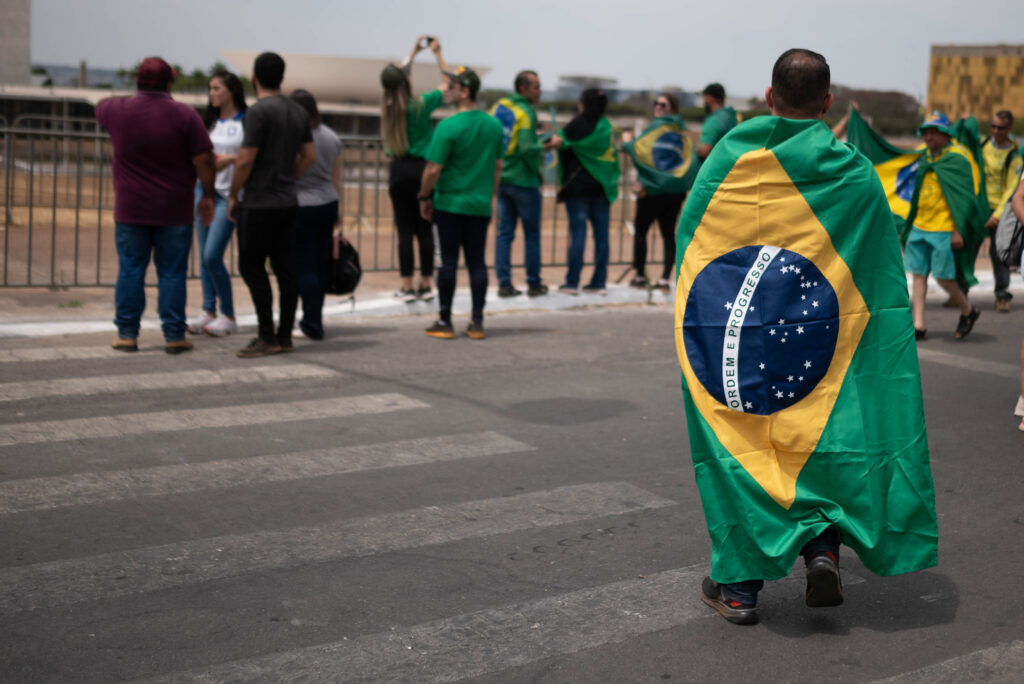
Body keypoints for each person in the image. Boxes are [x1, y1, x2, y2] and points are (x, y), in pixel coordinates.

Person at [677, 49, 937, 625]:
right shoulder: (854, 173)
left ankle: (739, 589)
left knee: (740, 448)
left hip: (738, 341)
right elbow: (876, 274)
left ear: (769, 98)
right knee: (822, 445)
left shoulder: (728, 160)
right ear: (827, 103)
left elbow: (694, 241)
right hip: (823, 341)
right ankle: (822, 550)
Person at [95, 56, 215, 355]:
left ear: (137, 81)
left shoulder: (115, 110)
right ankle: (174, 335)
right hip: (174, 208)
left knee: (131, 269)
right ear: (170, 82)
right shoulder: (185, 115)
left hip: (130, 208)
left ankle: (127, 334)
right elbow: (203, 160)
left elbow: (100, 105)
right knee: (172, 272)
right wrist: (209, 194)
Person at [228, 52, 316, 358]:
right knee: (285, 269)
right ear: (282, 76)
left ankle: (266, 335)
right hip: (287, 200)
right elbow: (309, 156)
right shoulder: (298, 112)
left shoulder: (258, 112)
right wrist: (287, 176)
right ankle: (284, 335)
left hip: (259, 201)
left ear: (254, 76)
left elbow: (245, 159)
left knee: (251, 266)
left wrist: (233, 193)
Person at [418, 67, 504, 340]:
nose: (447, 90)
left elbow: (433, 169)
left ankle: (445, 320)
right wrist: (490, 196)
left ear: (465, 91)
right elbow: (498, 166)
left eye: (452, 86)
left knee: (448, 263)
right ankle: (477, 322)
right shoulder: (493, 125)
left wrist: (423, 196)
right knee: (477, 262)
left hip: (450, 205)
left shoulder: (448, 126)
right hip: (479, 205)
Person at [381, 35, 449, 303]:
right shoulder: (420, 104)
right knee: (425, 228)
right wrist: (436, 53)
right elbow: (447, 85)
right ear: (406, 80)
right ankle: (427, 284)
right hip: (422, 170)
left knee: (404, 232)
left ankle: (406, 286)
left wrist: (412, 52)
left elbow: (395, 75)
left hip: (398, 170)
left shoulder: (387, 107)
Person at [904, 112, 981, 341]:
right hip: (920, 226)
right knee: (918, 275)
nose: (928, 136)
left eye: (933, 132)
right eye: (925, 132)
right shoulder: (926, 157)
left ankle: (968, 310)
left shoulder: (957, 158)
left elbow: (965, 199)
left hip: (943, 229)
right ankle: (919, 325)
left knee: (944, 278)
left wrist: (958, 230)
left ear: (946, 134)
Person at [186, 70, 246, 337]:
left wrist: (230, 160)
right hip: (204, 192)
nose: (211, 93)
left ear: (231, 90)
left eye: (216, 88)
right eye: (210, 89)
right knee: (204, 257)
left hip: (229, 195)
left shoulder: (247, 121)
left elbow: (250, 155)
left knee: (213, 256)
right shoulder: (208, 122)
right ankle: (208, 311)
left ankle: (229, 315)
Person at [546, 88, 620, 296]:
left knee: (578, 237)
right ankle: (599, 283)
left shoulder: (577, 124)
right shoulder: (607, 126)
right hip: (602, 189)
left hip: (578, 190)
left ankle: (572, 283)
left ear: (583, 104)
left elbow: (558, 141)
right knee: (602, 239)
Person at [290, 89, 343, 341]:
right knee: (320, 266)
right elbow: (337, 178)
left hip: (302, 203)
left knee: (304, 266)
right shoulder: (332, 137)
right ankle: (315, 319)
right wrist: (340, 209)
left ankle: (309, 323)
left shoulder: (295, 138)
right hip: (328, 201)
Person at [491, 70, 548, 298]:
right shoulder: (526, 112)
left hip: (501, 178)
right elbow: (526, 148)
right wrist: (546, 145)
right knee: (531, 235)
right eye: (536, 87)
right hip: (524, 181)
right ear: (523, 89)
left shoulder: (499, 106)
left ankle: (504, 284)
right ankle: (534, 284)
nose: (539, 91)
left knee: (504, 234)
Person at [625, 93, 689, 290]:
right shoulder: (681, 128)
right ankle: (664, 279)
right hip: (675, 191)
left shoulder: (657, 126)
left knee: (642, 232)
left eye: (663, 104)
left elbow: (639, 150)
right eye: (657, 103)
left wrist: (627, 141)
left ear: (672, 108)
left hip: (652, 191)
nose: (658, 107)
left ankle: (640, 277)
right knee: (668, 235)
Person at [980, 110, 1021, 312]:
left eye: (1001, 128)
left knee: (1000, 254)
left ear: (1010, 129)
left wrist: (996, 216)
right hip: (979, 209)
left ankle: (1002, 295)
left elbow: (1013, 188)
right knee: (964, 249)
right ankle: (958, 291)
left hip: (1000, 211)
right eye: (993, 126)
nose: (996, 131)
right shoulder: (983, 146)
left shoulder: (1015, 154)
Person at [696, 82, 738, 160]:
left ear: (709, 98)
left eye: (704, 97)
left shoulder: (713, 120)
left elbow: (704, 151)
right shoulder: (732, 116)